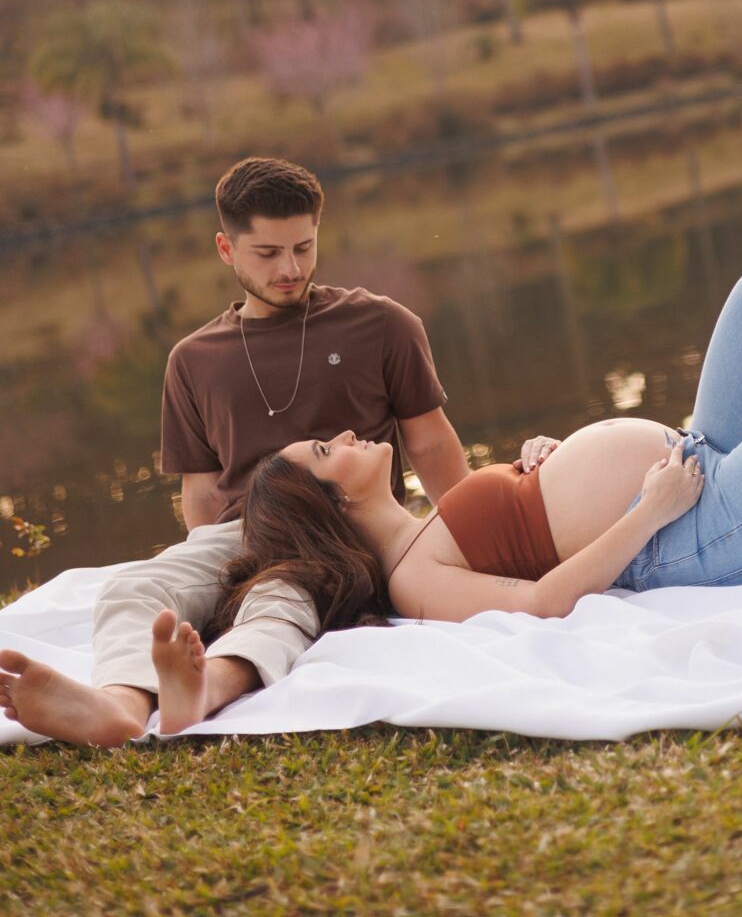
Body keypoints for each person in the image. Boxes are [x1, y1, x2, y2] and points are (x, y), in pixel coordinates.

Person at [112, 265, 742, 734]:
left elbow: (528, 523)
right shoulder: (409, 579)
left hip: (698, 466)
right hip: (699, 530)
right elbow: (538, 599)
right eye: (329, 450)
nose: (350, 436)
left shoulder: (428, 521)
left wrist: (546, 466)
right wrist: (643, 511)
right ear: (327, 503)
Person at [0, 155, 527, 746]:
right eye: (268, 253)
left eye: (304, 247)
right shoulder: (192, 360)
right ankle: (117, 704)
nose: (291, 268)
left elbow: (430, 442)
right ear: (226, 250)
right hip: (240, 534)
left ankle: (204, 689)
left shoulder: (382, 324)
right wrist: (212, 576)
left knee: (282, 601)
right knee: (136, 587)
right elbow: (201, 490)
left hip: (343, 531)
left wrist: (469, 540)